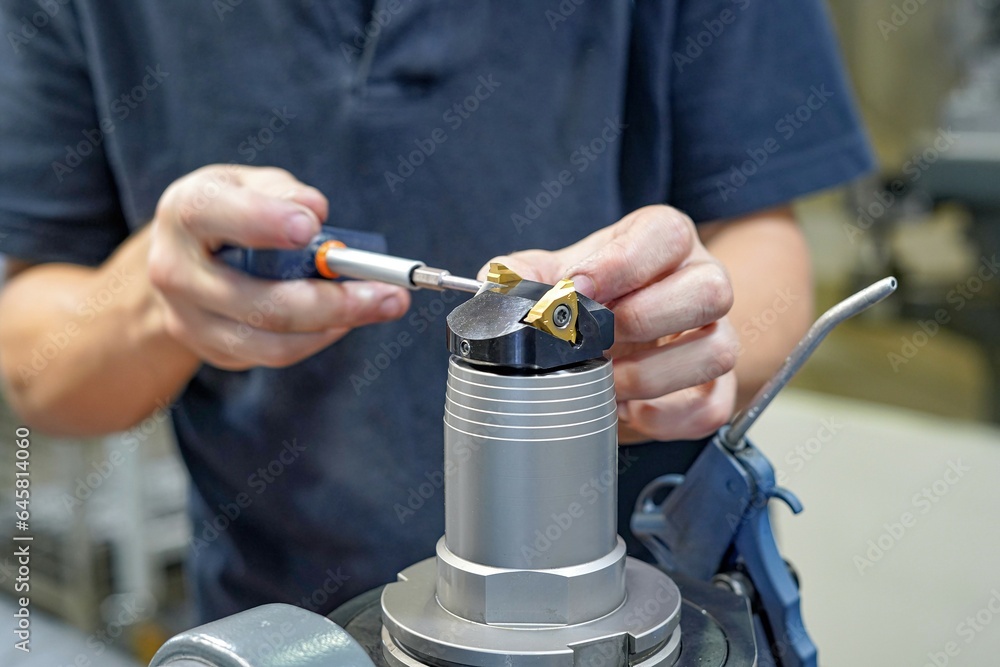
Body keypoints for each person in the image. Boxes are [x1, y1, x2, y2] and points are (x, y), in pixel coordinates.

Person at [0, 1, 872, 623]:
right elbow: (36, 368)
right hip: (285, 625)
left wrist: (682, 340)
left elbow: (766, 250)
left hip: (639, 614)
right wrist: (162, 303)